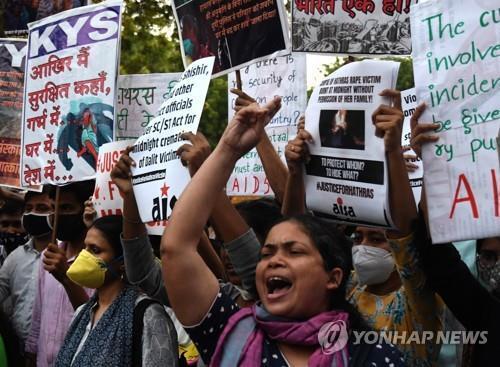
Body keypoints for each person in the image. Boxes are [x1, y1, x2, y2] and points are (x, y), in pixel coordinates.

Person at [162, 99, 404, 366]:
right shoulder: (228, 332)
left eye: (294, 251)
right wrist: (227, 150)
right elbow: (176, 246)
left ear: (333, 277)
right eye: (267, 253)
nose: (274, 261)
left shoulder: (372, 357)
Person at [283, 90, 442, 366]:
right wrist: (298, 171)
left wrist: (391, 151)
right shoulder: (349, 290)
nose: (363, 245)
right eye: (358, 237)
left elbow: (406, 236)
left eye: (377, 238)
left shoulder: (417, 301)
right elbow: (296, 238)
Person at [410, 104, 499, 366]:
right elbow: (438, 258)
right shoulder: (488, 316)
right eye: (489, 257)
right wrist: (431, 161)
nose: (496, 267)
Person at [54, 215, 178, 366]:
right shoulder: (82, 313)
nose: (83, 256)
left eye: (95, 250)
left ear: (123, 262)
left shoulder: (148, 316)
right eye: (84, 248)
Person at [25, 182, 94, 367]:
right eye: (54, 208)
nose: (58, 217)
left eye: (67, 208)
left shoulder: (99, 263)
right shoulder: (46, 258)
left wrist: (66, 277)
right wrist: (31, 352)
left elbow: (97, 323)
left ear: (85, 209)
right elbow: (38, 316)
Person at [0, 188, 53, 356]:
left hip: (52, 350)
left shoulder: (69, 257)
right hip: (16, 349)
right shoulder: (15, 258)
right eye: (28, 209)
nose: (32, 214)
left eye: (42, 209)